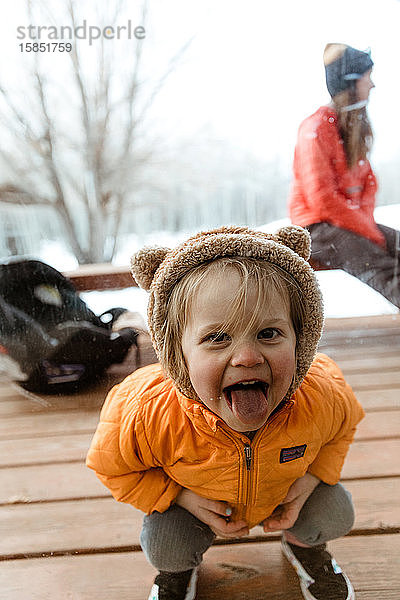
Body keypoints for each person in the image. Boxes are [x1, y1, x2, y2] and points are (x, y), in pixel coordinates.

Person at [87, 225, 364, 600]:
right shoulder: (147, 412)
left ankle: (304, 547)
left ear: (301, 337)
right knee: (167, 546)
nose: (247, 357)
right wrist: (178, 496)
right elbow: (112, 466)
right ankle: (179, 572)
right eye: (217, 338)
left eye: (268, 333)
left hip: (282, 495)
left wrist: (314, 478)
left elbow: (341, 430)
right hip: (196, 504)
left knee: (336, 512)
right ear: (177, 352)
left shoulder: (322, 394)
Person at [288, 43, 400, 309]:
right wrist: (367, 230)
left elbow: (368, 185)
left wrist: (367, 225)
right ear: (349, 83)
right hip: (316, 228)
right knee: (380, 264)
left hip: (346, 222)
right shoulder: (314, 128)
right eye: (367, 77)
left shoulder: (351, 127)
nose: (372, 85)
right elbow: (323, 199)